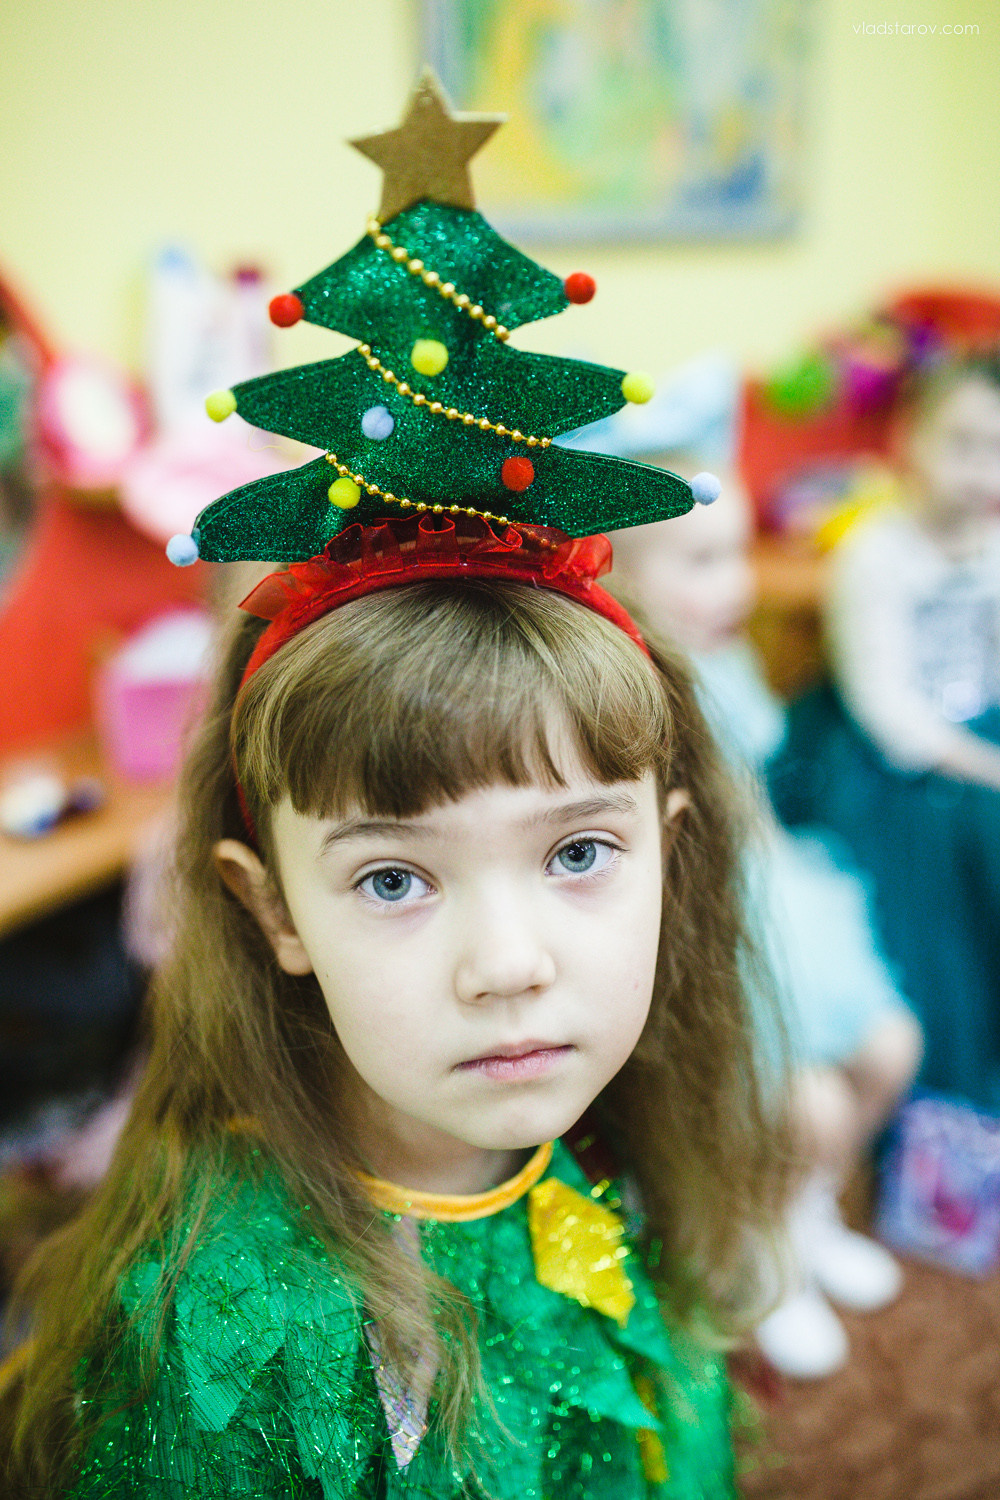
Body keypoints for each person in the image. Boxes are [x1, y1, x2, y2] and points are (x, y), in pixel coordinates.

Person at [2, 80, 792, 1499]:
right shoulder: (216, 1337)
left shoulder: (614, 1165)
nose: (509, 966)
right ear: (270, 908)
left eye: (576, 855)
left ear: (672, 852)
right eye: (393, 877)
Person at [608, 473, 922, 1381]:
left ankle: (807, 1214)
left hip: (782, 901)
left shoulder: (729, 656)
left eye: (738, 556)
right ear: (620, 573)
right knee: (804, 1107)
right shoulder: (635, 690)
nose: (738, 586)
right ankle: (762, 1249)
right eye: (703, 563)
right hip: (699, 932)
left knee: (893, 1048)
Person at [770, 352, 1000, 1110]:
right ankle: (947, 1091)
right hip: (893, 759)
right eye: (962, 444)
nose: (981, 471)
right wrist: (979, 763)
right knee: (938, 876)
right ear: (908, 439)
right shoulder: (875, 552)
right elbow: (886, 706)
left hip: (976, 726)